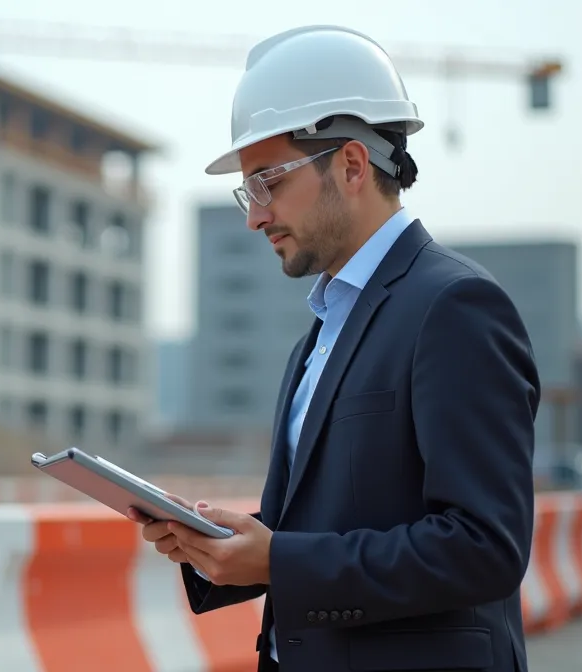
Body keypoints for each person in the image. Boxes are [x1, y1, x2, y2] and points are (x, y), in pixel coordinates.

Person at [127, 25, 540, 672]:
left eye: (267, 181)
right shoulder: (321, 332)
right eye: (247, 189)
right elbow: (341, 516)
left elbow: (483, 548)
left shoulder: (455, 308)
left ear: (350, 165)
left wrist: (279, 559)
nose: (253, 215)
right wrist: (222, 548)